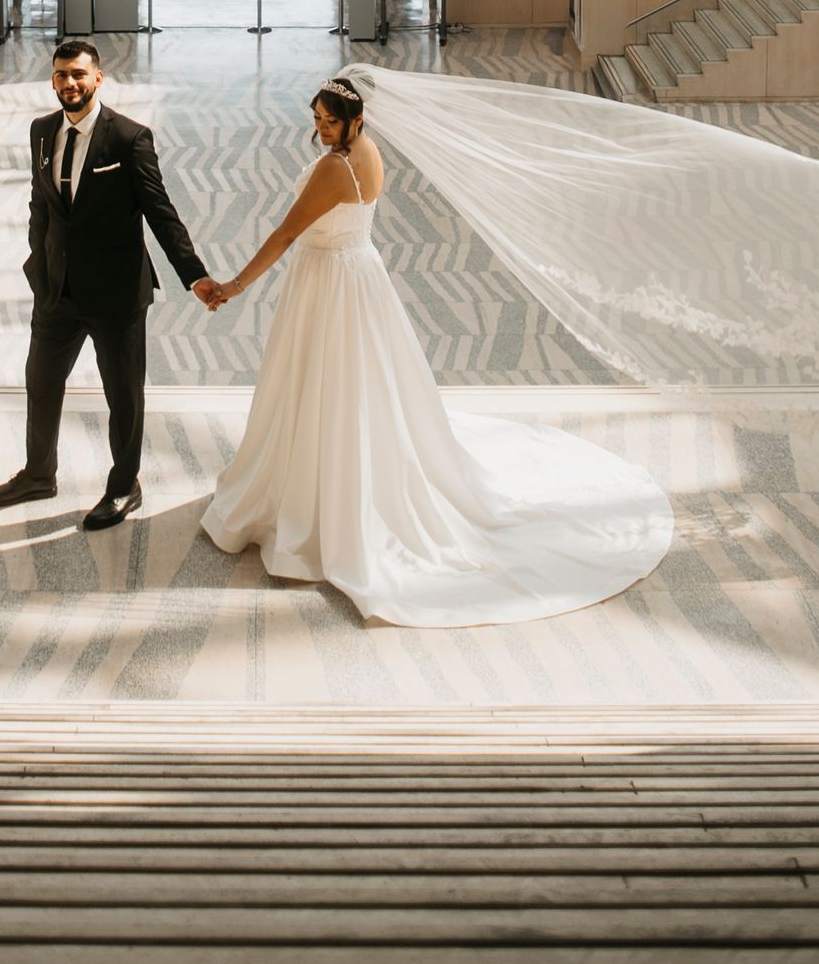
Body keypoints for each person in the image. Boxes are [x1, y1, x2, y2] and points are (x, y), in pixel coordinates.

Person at [198, 77, 672, 626]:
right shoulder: (366, 150)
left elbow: (284, 234)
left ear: (355, 121)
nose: (319, 130)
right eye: (317, 119)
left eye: (329, 121)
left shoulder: (334, 167)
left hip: (328, 284)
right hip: (357, 276)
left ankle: (319, 499)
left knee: (323, 383)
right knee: (360, 387)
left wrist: (233, 286)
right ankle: (337, 474)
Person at [0, 38, 221, 531]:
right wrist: (39, 263)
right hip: (57, 292)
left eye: (78, 75)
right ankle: (38, 475)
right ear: (54, 80)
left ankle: (123, 486)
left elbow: (160, 212)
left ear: (98, 79)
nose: (70, 83)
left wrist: (193, 275)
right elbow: (41, 203)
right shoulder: (42, 132)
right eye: (62, 75)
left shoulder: (128, 139)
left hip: (115, 294)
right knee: (41, 383)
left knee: (123, 395)